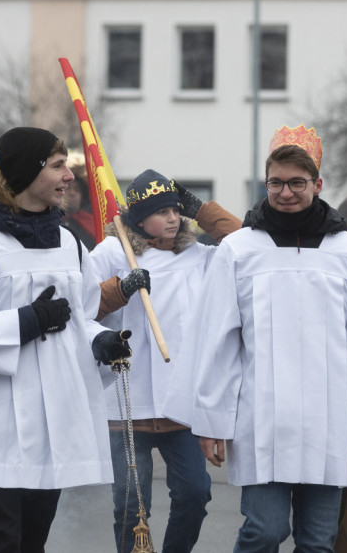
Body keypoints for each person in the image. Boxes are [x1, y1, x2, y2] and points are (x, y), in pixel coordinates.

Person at [185, 126, 347, 552]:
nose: (286, 192)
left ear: (317, 184)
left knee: (318, 541)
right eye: (276, 182)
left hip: (329, 422)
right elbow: (217, 341)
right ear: (266, 183)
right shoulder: (240, 250)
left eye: (297, 182)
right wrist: (211, 420)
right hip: (262, 420)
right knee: (264, 530)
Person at [0, 126, 131, 553]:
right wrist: (27, 321)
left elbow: (81, 317)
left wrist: (101, 341)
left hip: (52, 422)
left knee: (32, 542)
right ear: (29, 172)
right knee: (3, 541)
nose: (69, 177)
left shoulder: (68, 244)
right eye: (59, 166)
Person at [90, 169, 240, 552]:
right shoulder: (112, 252)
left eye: (177, 210)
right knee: (129, 504)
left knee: (195, 495)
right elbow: (80, 301)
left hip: (181, 403)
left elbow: (246, 244)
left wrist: (203, 211)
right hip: (127, 400)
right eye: (162, 211)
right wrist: (120, 289)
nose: (173, 218)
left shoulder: (200, 256)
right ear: (138, 219)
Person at [62, 151, 98, 250]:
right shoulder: (48, 223)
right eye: (68, 188)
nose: (73, 193)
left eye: (77, 190)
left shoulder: (92, 225)